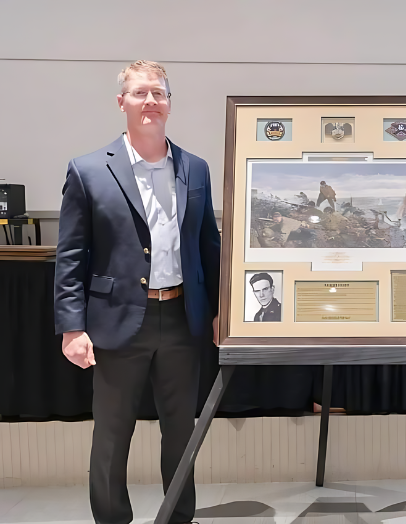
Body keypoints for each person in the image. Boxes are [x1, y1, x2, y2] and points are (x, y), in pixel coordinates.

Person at [55, 60, 221, 524]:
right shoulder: (88, 170)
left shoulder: (196, 169)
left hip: (182, 318)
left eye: (159, 93)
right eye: (140, 93)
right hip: (116, 319)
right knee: (111, 434)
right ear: (121, 102)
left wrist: (220, 312)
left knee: (181, 433)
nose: (151, 101)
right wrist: (71, 327)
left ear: (169, 103)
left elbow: (209, 246)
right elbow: (70, 256)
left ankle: (178, 517)